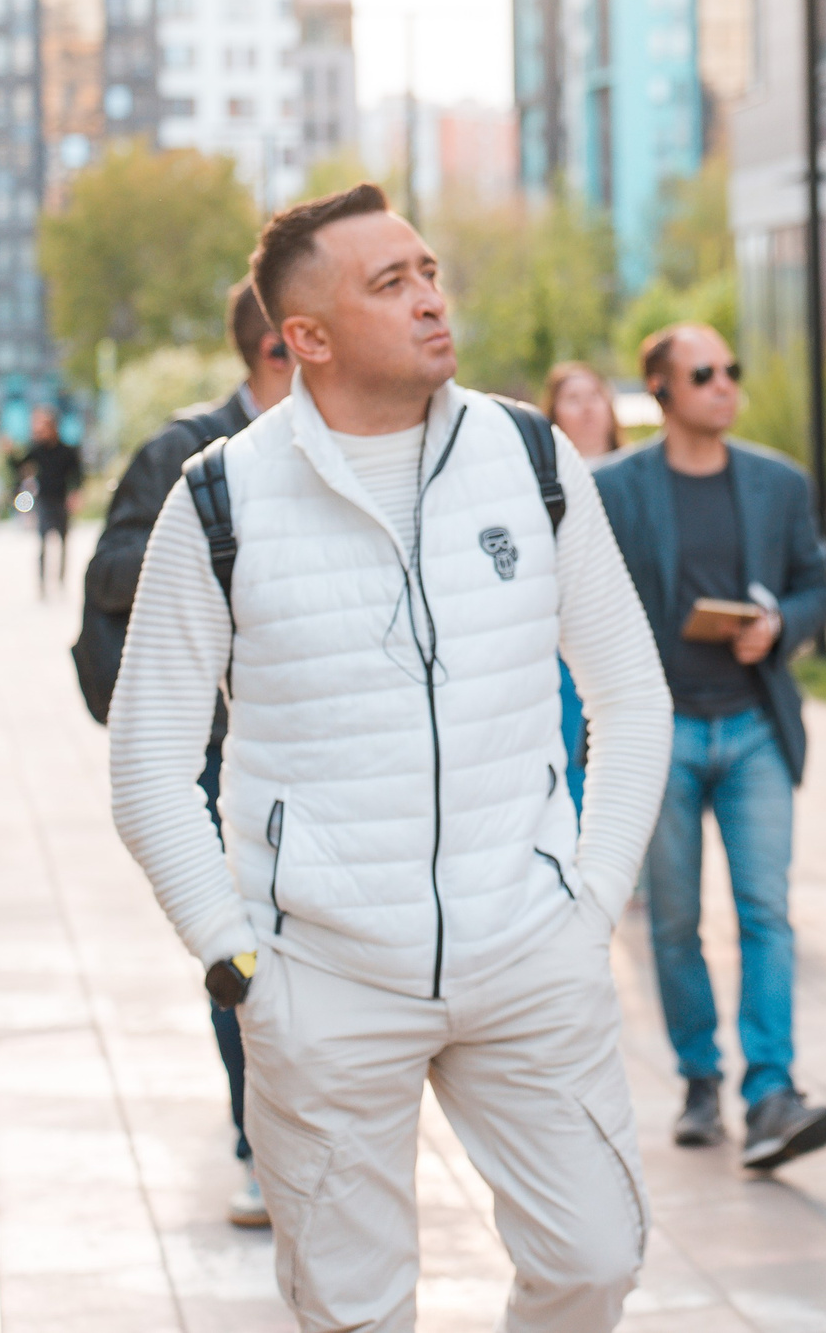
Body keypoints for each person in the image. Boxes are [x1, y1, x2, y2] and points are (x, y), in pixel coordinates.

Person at [108, 183, 674, 1330]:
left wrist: (586, 909)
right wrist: (237, 967)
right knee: (354, 1309)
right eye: (390, 283)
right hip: (322, 981)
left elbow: (631, 696)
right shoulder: (218, 499)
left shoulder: (529, 453)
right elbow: (147, 763)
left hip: (528, 954)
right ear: (303, 339)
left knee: (595, 1256)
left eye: (427, 272)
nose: (430, 300)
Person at [592, 323, 826, 1168]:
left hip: (752, 726)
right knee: (673, 921)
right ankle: (700, 1076)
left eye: (731, 368)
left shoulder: (777, 482)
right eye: (704, 373)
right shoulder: (616, 488)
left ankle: (770, 1088)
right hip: (659, 731)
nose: (724, 384)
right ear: (661, 391)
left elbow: (814, 587)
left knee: (765, 911)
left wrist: (777, 626)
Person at [83, 278, 296, 1228]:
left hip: (306, 740)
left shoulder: (334, 452)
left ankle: (302, 1131)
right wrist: (219, 538)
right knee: (239, 946)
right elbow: (112, 572)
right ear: (281, 349)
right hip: (213, 745)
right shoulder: (186, 453)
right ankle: (258, 1142)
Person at [544, 361, 621, 813]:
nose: (589, 408)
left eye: (595, 395)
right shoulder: (542, 479)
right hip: (566, 644)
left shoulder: (639, 476)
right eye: (574, 398)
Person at [11, 402, 85, 595]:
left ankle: (61, 581)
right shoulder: (36, 449)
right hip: (44, 500)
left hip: (61, 500)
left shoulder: (67, 451)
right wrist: (10, 454)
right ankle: (43, 584)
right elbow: (19, 467)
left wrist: (76, 493)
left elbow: (77, 474)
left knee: (63, 542)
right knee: (43, 543)